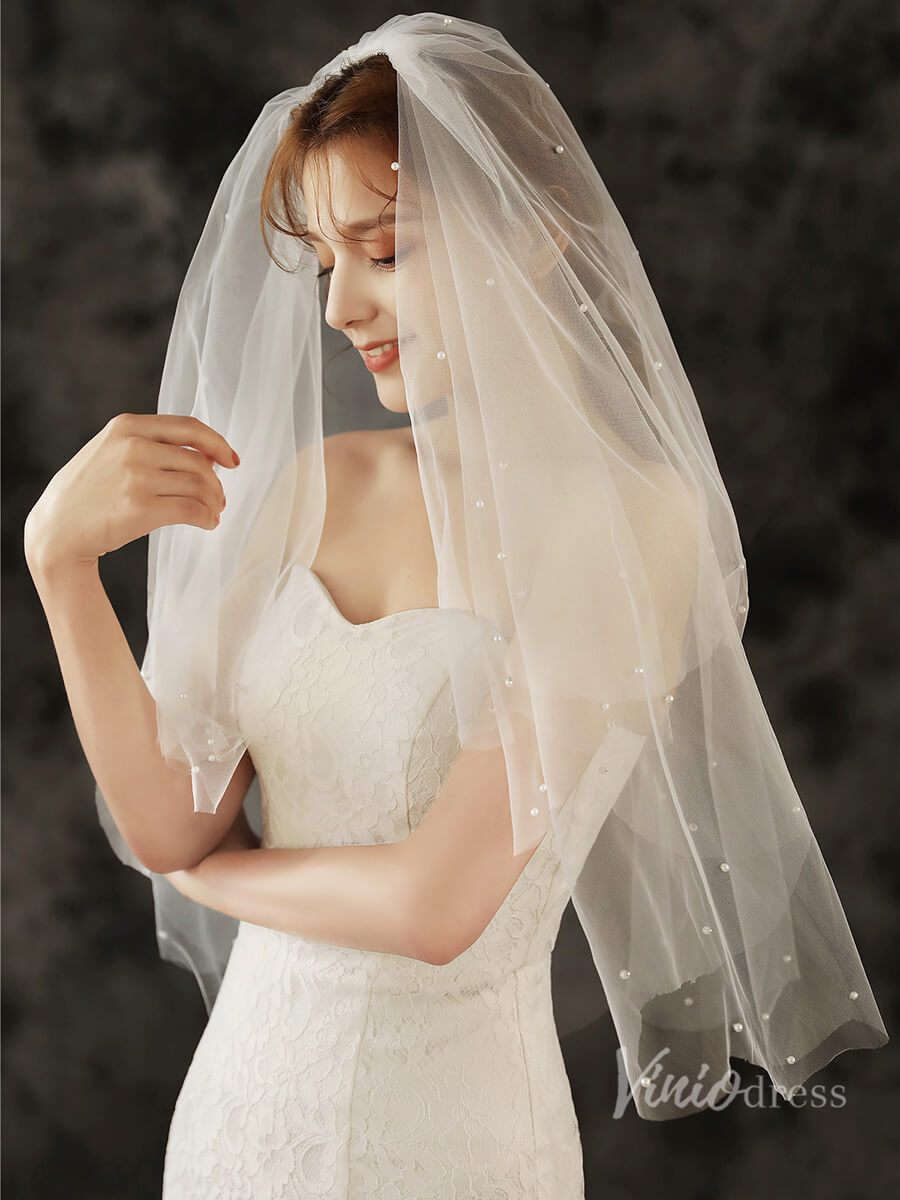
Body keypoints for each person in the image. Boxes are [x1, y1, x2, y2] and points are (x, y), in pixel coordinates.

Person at [24, 13, 887, 1196]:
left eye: (385, 251)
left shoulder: (633, 521)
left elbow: (438, 905)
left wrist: (218, 883)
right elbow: (172, 823)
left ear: (534, 230)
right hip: (239, 1125)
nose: (341, 309)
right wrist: (61, 569)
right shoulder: (311, 488)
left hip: (452, 1140)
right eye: (328, 264)